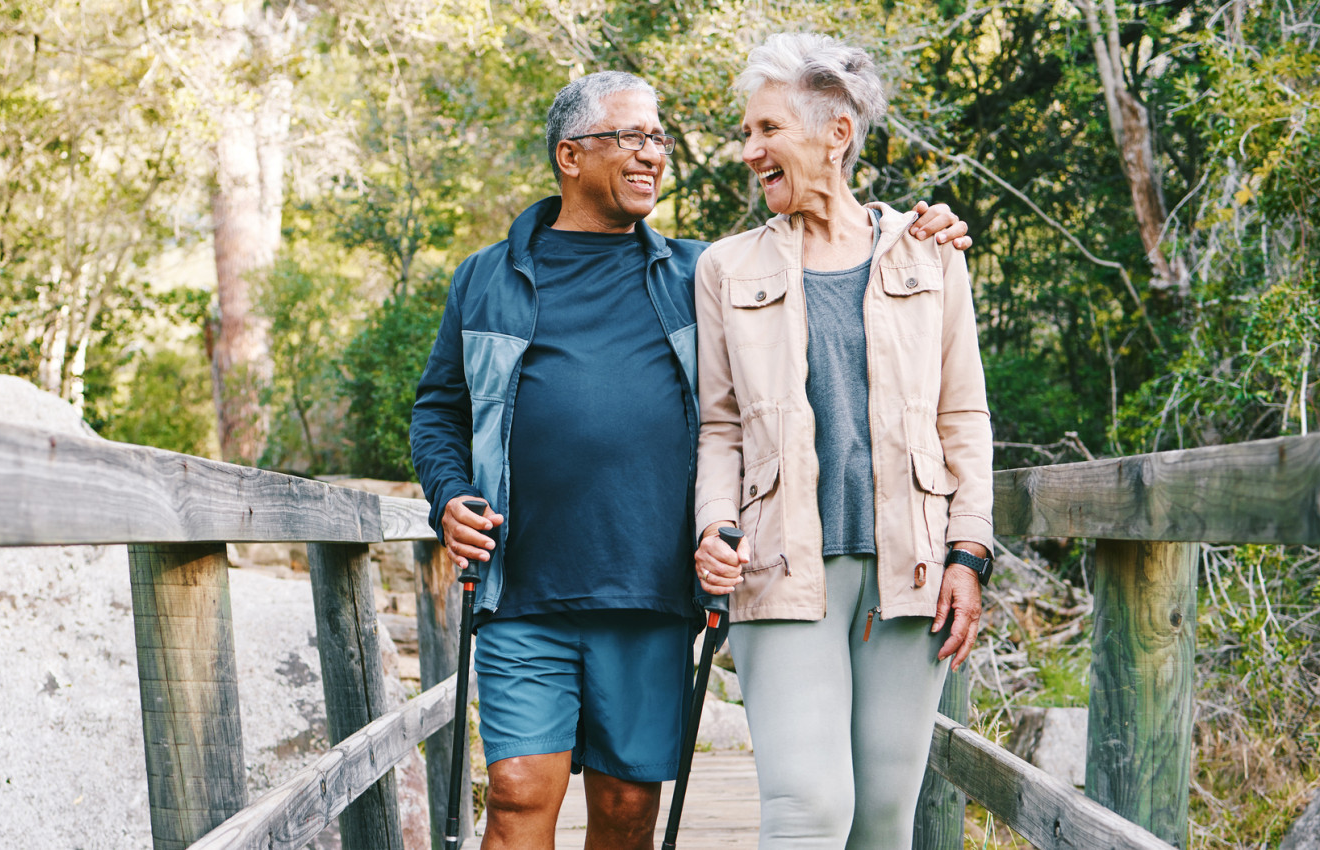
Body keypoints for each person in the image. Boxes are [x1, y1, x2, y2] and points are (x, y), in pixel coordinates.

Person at [410, 69, 971, 850]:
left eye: (659, 140)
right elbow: (439, 409)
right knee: (513, 794)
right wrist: (446, 496)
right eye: (632, 138)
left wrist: (918, 228)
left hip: (651, 592)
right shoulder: (486, 279)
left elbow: (816, 301)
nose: (653, 156)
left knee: (627, 810)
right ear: (570, 156)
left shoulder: (702, 272)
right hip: (523, 583)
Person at [691, 32, 994, 848]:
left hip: (914, 568)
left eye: (766, 130)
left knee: (885, 817)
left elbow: (963, 414)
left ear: (836, 133)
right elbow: (719, 424)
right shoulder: (726, 266)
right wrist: (711, 524)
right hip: (780, 562)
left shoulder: (931, 253)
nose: (749, 150)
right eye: (746, 132)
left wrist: (971, 554)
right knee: (809, 810)